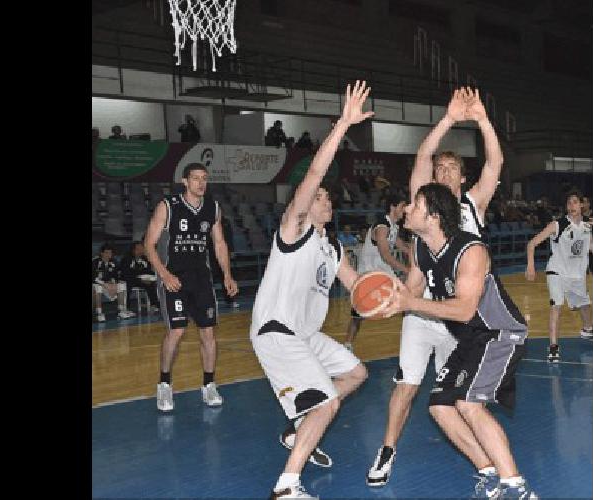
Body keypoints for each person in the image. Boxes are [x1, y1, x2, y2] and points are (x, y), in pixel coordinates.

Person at [365, 87, 508, 490]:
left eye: (450, 169)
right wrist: (447, 120)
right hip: (419, 307)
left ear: (463, 178)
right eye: (439, 168)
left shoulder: (473, 206)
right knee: (406, 387)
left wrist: (481, 120)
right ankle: (387, 451)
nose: (442, 173)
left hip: (458, 317)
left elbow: (495, 161)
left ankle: (486, 464)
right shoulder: (422, 202)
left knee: (457, 402)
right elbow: (420, 160)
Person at [252, 81, 374, 499]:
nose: (324, 199)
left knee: (357, 373)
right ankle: (287, 485)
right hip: (277, 330)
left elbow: (359, 287)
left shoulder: (331, 247)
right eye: (317, 195)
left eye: (325, 197)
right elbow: (317, 171)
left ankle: (299, 430)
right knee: (327, 404)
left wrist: (394, 296)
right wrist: (343, 123)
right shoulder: (294, 228)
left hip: (303, 335)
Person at [381, 183, 536, 499]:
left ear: (433, 215)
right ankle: (489, 471)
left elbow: (465, 309)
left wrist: (409, 304)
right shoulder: (422, 248)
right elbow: (408, 293)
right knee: (440, 407)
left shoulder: (471, 250)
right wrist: (380, 297)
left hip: (499, 333)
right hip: (470, 340)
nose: (407, 208)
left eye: (415, 204)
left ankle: (516, 488)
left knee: (468, 403)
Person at [143, 163, 240, 411]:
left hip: (202, 279)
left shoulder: (212, 208)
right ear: (185, 181)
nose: (201, 183)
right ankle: (164, 384)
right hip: (174, 277)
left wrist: (227, 275)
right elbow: (148, 245)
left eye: (204, 178)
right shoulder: (168, 206)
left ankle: (209, 385)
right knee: (176, 331)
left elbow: (219, 243)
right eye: (196, 178)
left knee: (208, 332)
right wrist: (164, 275)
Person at [524, 190, 593, 362]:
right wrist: (531, 265)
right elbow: (531, 244)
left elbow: (590, 247)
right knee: (556, 306)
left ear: (582, 205)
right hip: (557, 271)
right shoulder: (558, 225)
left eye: (575, 202)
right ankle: (553, 347)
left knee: (584, 305)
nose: (572, 205)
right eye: (569, 203)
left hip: (577, 275)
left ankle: (587, 329)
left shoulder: (588, 225)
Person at [344, 193, 411, 350]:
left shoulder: (394, 226)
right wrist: (407, 269)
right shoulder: (382, 226)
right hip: (369, 275)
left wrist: (417, 253)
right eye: (402, 206)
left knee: (407, 301)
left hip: (384, 273)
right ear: (393, 207)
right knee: (358, 315)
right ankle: (347, 344)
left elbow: (403, 246)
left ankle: (411, 340)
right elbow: (386, 256)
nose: (405, 209)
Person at [92, 243, 135, 322]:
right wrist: (105, 284)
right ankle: (99, 313)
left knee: (122, 285)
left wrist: (114, 283)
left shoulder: (114, 262)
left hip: (110, 285)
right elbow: (93, 278)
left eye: (110, 253)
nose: (109, 255)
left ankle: (121, 310)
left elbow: (117, 275)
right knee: (97, 287)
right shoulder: (95, 262)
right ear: (102, 253)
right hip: (99, 284)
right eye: (107, 253)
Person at [120, 241, 158, 314]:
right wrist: (140, 279)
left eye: (142, 249)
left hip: (142, 279)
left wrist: (154, 276)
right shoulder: (126, 259)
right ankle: (126, 308)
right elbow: (126, 274)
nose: (141, 251)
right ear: (133, 250)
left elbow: (148, 271)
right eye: (139, 249)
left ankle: (154, 305)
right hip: (129, 279)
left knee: (151, 283)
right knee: (127, 284)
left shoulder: (144, 259)